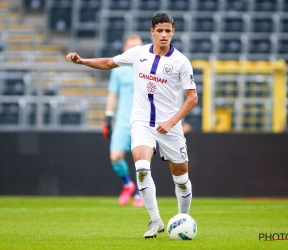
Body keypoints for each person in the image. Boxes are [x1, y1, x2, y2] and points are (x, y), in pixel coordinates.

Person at [66, 12, 198, 239]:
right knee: (142, 167)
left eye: (168, 31)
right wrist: (83, 61)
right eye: (160, 31)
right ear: (152, 32)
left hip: (170, 126)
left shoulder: (181, 62)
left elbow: (192, 98)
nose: (164, 35)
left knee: (182, 179)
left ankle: (182, 219)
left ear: (173, 32)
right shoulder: (138, 54)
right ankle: (155, 220)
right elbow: (109, 62)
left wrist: (172, 122)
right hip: (141, 122)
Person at [102, 35, 144, 207]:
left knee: (141, 158)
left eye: (138, 47)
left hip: (142, 120)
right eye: (131, 48)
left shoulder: (150, 68)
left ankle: (141, 193)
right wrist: (108, 117)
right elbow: (113, 94)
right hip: (122, 120)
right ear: (125, 50)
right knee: (115, 157)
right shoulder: (118, 69)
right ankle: (128, 184)